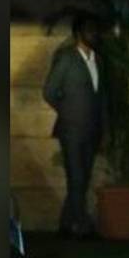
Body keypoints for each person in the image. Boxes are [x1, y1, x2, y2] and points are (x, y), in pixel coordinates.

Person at [43, 14, 106, 239]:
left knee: (82, 179)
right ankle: (82, 225)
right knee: (77, 177)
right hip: (71, 129)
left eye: (96, 30)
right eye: (90, 30)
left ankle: (66, 224)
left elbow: (102, 98)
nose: (95, 34)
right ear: (79, 33)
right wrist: (68, 111)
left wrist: (104, 129)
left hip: (92, 129)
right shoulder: (67, 58)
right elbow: (49, 92)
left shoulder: (98, 60)